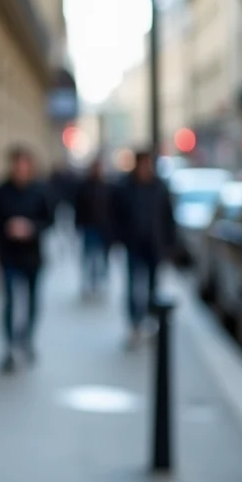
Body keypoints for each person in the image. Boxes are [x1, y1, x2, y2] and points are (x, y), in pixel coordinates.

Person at [0, 145, 54, 372]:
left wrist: (30, 228)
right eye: (17, 164)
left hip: (32, 256)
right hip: (8, 255)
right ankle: (10, 346)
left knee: (33, 302)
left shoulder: (40, 190)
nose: (20, 169)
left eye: (24, 165)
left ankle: (27, 339)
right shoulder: (1, 190)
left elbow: (50, 220)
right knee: (9, 302)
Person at [111, 149, 178, 348]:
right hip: (133, 246)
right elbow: (115, 215)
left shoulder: (159, 187)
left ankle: (150, 322)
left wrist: (169, 245)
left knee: (153, 288)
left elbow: (168, 218)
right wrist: (119, 238)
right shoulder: (125, 187)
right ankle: (134, 324)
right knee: (133, 288)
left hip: (154, 246)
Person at [73, 158, 113, 298]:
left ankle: (98, 283)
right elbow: (78, 207)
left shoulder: (107, 187)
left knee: (101, 257)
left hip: (103, 228)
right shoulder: (84, 187)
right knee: (89, 257)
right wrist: (78, 224)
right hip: (89, 227)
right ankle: (89, 283)